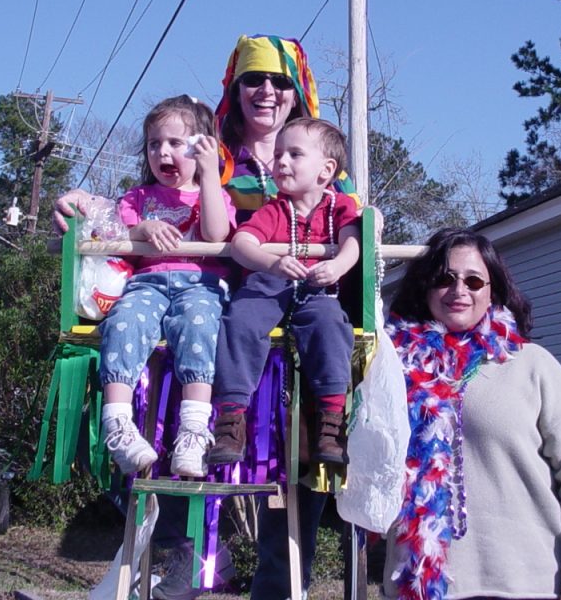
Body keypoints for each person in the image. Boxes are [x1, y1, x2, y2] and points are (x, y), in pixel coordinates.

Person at [54, 34, 350, 600]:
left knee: (288, 470)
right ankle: (184, 570)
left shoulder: (319, 162)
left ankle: (278, 587)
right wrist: (78, 205)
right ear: (234, 91)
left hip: (288, 334)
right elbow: (127, 211)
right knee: (172, 439)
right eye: (254, 80)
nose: (267, 91)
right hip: (214, 329)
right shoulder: (207, 155)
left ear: (297, 93)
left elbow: (352, 229)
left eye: (280, 82)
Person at [383, 228, 561, 600]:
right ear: (425, 288)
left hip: (528, 585)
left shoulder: (533, 366)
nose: (459, 291)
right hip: (421, 587)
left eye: (473, 280)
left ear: (493, 291)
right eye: (444, 279)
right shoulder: (392, 370)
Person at [209, 117, 360, 466]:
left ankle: (331, 422)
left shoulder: (340, 208)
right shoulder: (275, 209)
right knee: (241, 318)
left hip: (319, 288)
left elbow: (352, 243)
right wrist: (272, 263)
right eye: (278, 155)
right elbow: (241, 243)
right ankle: (231, 419)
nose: (281, 162)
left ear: (325, 171)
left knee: (330, 325)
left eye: (294, 154)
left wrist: (336, 267)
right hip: (271, 285)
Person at [98, 95, 235, 478]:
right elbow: (118, 229)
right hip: (147, 283)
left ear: (202, 147)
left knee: (200, 324)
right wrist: (142, 228)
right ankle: (118, 424)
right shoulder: (138, 197)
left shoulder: (216, 195)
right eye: (154, 144)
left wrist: (209, 175)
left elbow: (216, 233)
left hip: (201, 284)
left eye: (177, 143)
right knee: (124, 321)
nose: (164, 152)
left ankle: (193, 430)